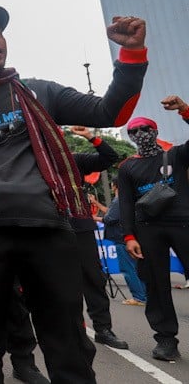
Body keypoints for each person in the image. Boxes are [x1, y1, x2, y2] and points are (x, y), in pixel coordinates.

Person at [0, 6, 147, 383]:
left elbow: (111, 112)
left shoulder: (39, 91)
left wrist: (130, 57)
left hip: (48, 229)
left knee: (67, 340)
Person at [119, 95, 189, 362]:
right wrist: (128, 236)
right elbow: (126, 203)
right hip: (147, 229)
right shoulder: (127, 168)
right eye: (134, 131)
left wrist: (184, 110)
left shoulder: (177, 155)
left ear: (155, 131)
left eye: (145, 129)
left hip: (183, 222)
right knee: (156, 285)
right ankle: (166, 339)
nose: (140, 134)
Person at [67, 126, 128, 349]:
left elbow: (109, 157)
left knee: (93, 279)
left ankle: (103, 329)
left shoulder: (76, 159)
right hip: (50, 229)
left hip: (81, 225)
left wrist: (91, 137)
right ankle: (72, 330)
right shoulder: (33, 162)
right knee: (60, 283)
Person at [102, 178, 146, 306]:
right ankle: (143, 295)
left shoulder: (119, 200)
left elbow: (110, 218)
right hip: (129, 237)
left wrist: (96, 218)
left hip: (122, 238)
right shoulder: (130, 198)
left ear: (114, 186)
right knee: (136, 268)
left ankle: (139, 297)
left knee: (128, 269)